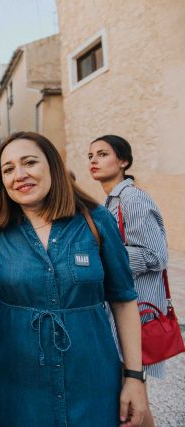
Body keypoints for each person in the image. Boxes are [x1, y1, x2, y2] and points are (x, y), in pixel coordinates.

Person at [0, 131, 147, 427]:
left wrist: (134, 377)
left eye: (29, 163)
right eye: (8, 169)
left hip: (92, 378)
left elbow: (123, 300)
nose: (20, 175)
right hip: (18, 383)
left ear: (52, 165)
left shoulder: (95, 220)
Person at [89, 134, 168, 427]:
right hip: (121, 310)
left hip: (137, 311)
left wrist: (106, 258)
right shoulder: (111, 201)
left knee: (132, 397)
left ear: (123, 161)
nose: (94, 160)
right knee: (130, 397)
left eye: (103, 154)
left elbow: (156, 255)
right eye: (90, 156)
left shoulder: (132, 198)